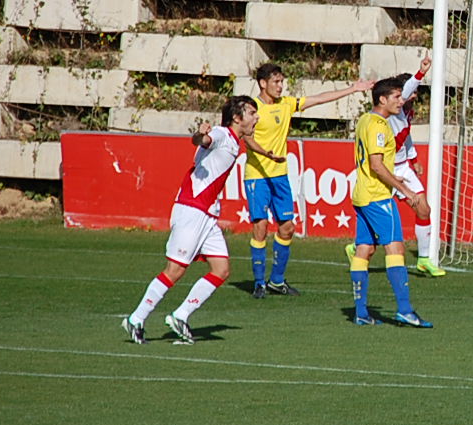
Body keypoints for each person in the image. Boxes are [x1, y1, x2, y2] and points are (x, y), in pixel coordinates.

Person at [121, 96, 259, 345]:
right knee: (175, 270)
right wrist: (199, 134)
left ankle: (180, 315)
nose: (256, 117)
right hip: (192, 210)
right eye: (251, 113)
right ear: (237, 118)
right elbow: (202, 140)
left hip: (207, 215)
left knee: (221, 269)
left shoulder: (235, 142)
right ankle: (136, 319)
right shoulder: (220, 134)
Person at [245, 62, 371, 298]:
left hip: (280, 175)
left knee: (288, 228)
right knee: (260, 227)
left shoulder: (286, 105)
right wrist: (265, 153)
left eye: (282, 82)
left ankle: (277, 281)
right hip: (257, 176)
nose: (281, 87)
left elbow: (319, 99)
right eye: (276, 82)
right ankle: (259, 282)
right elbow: (246, 137)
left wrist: (353, 89)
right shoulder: (252, 109)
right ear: (263, 83)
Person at [343, 75, 432, 327]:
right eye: (395, 97)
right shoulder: (380, 126)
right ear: (382, 99)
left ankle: (361, 312)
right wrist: (406, 190)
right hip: (378, 196)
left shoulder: (364, 120)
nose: (400, 100)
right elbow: (377, 166)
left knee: (364, 250)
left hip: (361, 194)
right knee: (395, 249)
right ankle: (405, 309)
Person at [383, 55, 446, 277]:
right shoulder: (394, 110)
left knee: (424, 209)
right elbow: (408, 88)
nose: (415, 96)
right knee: (380, 218)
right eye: (411, 92)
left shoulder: (406, 111)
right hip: (386, 169)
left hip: (402, 166)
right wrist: (421, 72)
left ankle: (423, 260)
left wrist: (414, 157)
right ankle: (358, 246)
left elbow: (405, 137)